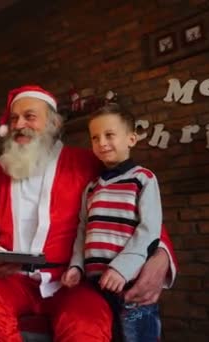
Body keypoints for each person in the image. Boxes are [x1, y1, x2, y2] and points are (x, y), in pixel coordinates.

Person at [0, 85, 177, 342]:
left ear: (52, 122)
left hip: (71, 281)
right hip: (10, 280)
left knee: (87, 321)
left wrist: (162, 253)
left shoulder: (88, 163)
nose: (19, 124)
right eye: (14, 118)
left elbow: (138, 209)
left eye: (29, 116)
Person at [61, 102, 165, 341]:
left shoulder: (143, 179)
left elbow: (150, 230)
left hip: (131, 283)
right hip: (96, 285)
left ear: (131, 138)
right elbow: (83, 231)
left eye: (109, 135)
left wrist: (122, 268)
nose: (101, 143)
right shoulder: (92, 188)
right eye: (95, 138)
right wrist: (77, 266)